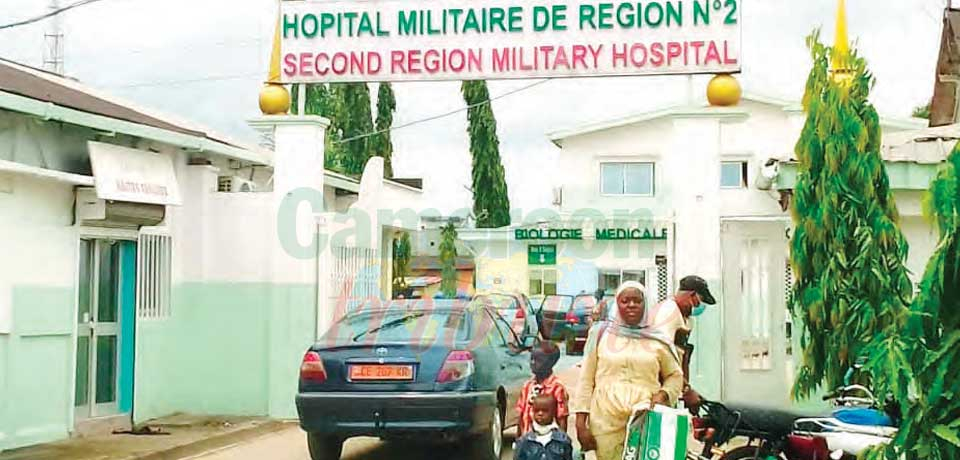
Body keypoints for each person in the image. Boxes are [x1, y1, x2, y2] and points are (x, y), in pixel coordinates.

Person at [573, 281, 684, 460]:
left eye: (637, 301)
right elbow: (586, 379)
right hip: (605, 422)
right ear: (617, 304)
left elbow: (675, 376)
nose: (631, 305)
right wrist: (580, 423)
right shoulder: (600, 334)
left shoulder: (658, 340)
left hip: (646, 420)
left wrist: (663, 394)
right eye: (625, 301)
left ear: (645, 304)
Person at [648, 275, 716, 414]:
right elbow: (662, 356)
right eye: (700, 301)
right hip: (657, 387)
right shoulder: (668, 312)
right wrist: (686, 389)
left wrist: (684, 388)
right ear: (692, 295)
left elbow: (681, 355)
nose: (700, 307)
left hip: (670, 384)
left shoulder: (685, 317)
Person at [516, 341, 569, 437]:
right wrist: (518, 440)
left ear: (550, 362)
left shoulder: (557, 388)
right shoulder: (527, 386)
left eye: (538, 360)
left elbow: (562, 418)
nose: (533, 363)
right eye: (531, 359)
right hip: (527, 440)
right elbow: (521, 416)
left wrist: (561, 441)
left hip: (548, 441)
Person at [514, 394, 575, 460]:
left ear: (554, 412)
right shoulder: (525, 441)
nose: (540, 413)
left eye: (545, 411)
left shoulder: (563, 440)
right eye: (536, 410)